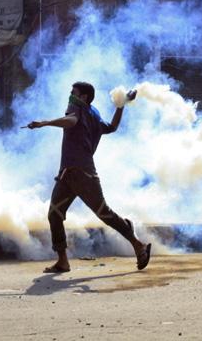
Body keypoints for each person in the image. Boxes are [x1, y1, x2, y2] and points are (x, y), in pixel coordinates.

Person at [28, 82, 151, 273]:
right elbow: (111, 127)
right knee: (55, 215)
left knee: (104, 214)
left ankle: (138, 244)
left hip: (82, 174)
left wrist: (45, 123)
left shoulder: (76, 107)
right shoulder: (94, 113)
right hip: (69, 174)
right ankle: (62, 261)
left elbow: (72, 121)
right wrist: (121, 106)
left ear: (83, 96)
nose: (70, 95)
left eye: (73, 92)